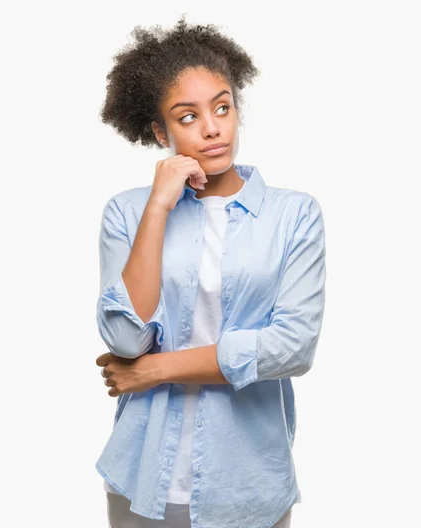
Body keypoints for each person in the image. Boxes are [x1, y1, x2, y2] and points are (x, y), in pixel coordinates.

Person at [93, 15, 326, 528]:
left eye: (222, 107)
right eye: (188, 116)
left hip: (246, 484)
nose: (213, 127)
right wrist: (158, 206)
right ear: (159, 130)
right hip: (141, 476)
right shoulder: (127, 212)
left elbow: (292, 347)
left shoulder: (294, 214)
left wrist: (157, 370)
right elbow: (125, 339)